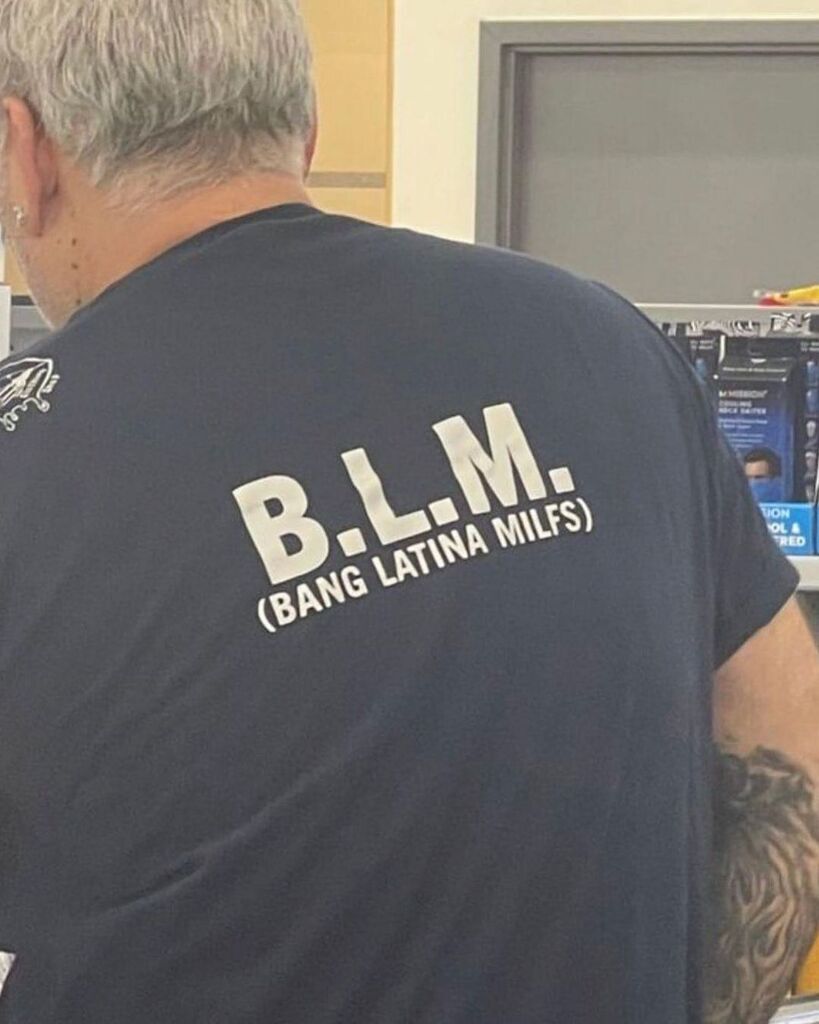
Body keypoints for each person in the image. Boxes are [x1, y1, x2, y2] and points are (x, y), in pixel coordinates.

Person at [0, 2, 816, 1022]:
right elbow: (788, 742)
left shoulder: (27, 458)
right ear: (304, 131)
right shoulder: (598, 339)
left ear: (26, 151)